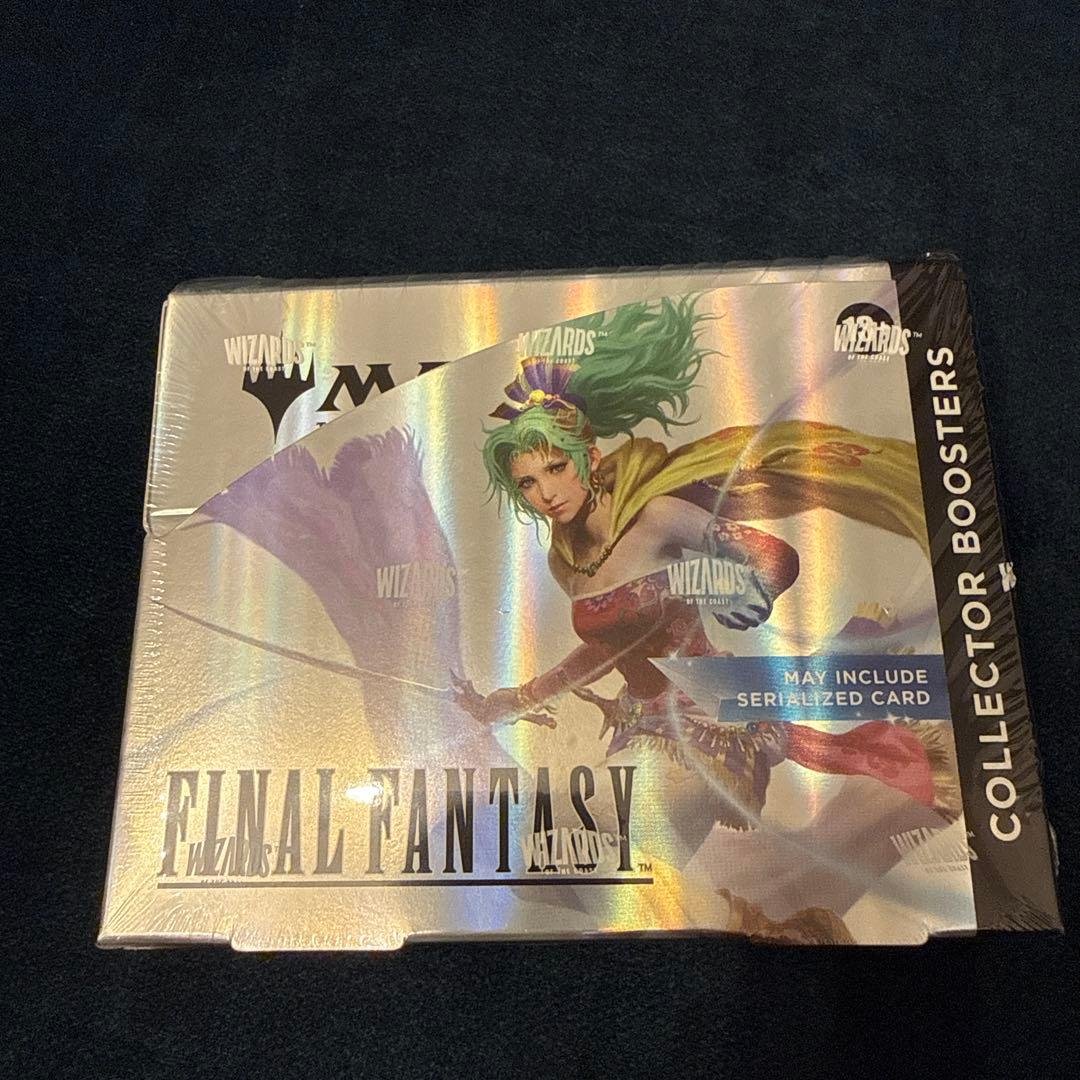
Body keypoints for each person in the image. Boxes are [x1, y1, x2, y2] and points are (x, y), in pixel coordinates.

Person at [453, 297, 959, 905]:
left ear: (590, 458)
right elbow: (608, 651)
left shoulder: (656, 518)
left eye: (556, 468)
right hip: (644, 730)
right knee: (558, 883)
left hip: (708, 733)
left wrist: (739, 590)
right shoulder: (567, 560)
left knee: (579, 857)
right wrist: (518, 697)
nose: (545, 493)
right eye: (528, 483)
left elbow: (775, 559)